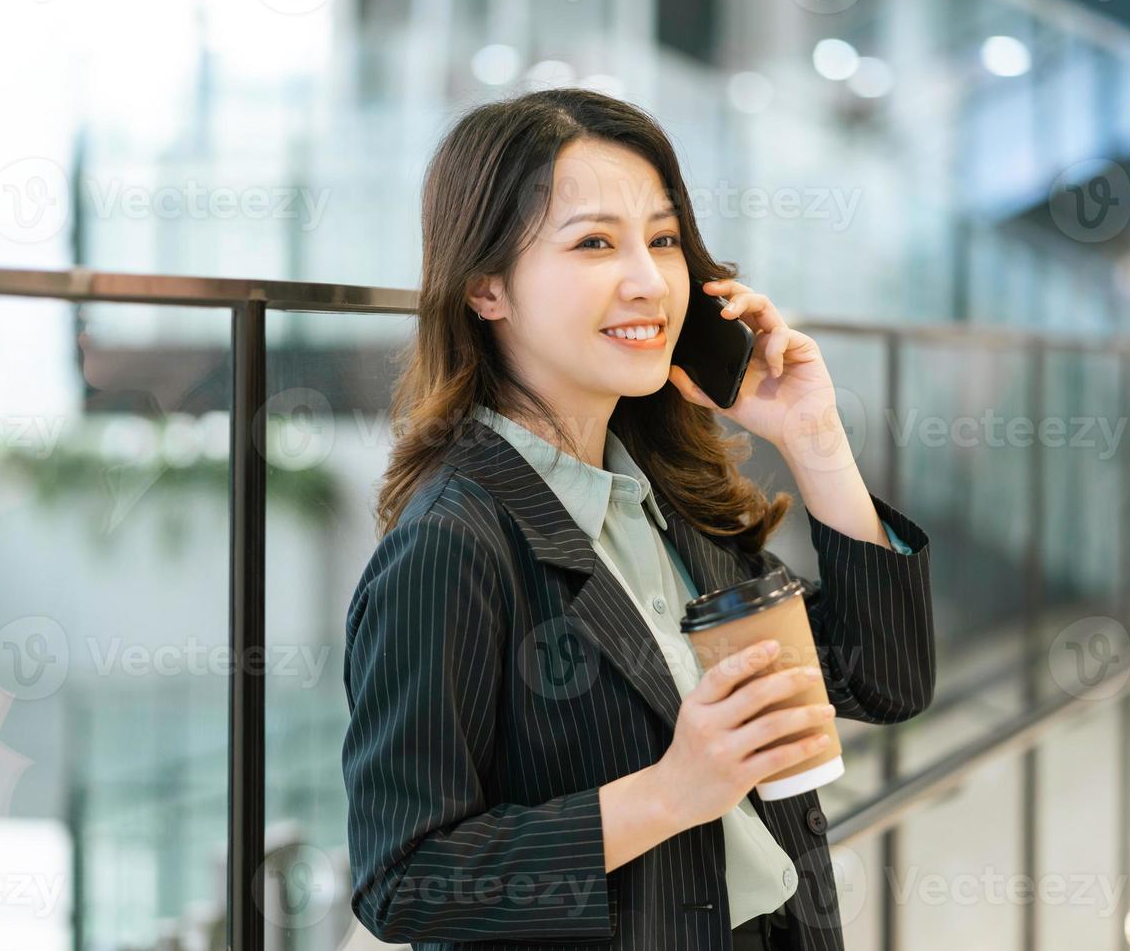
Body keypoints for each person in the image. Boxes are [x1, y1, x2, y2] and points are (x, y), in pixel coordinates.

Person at [341, 86, 935, 951]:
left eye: (663, 240)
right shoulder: (454, 542)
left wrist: (814, 438)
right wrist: (672, 790)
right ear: (486, 289)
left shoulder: (668, 494)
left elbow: (882, 679)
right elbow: (405, 881)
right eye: (593, 244)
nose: (650, 282)